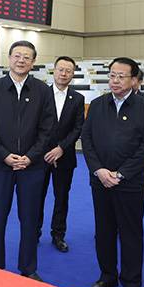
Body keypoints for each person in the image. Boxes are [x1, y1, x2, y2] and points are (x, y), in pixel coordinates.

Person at [82, 57, 144, 287]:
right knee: (103, 231)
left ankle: (132, 284)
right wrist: (99, 170)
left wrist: (121, 174)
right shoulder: (97, 105)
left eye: (121, 76)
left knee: (130, 233)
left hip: (131, 183)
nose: (115, 80)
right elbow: (87, 140)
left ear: (134, 80)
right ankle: (107, 276)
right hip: (101, 181)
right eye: (112, 75)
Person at [0, 40, 55, 281]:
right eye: (17, 55)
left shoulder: (43, 91)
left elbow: (47, 130)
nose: (21, 60)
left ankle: (28, 267)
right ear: (9, 58)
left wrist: (30, 157)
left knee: (30, 219)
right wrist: (4, 155)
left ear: (33, 62)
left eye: (27, 57)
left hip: (31, 167)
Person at [38, 56, 85, 252]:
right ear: (54, 71)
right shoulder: (41, 95)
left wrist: (60, 148)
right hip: (40, 157)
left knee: (61, 198)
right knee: (36, 197)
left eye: (68, 71)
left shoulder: (78, 98)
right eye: (61, 69)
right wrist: (47, 150)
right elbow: (34, 126)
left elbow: (78, 128)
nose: (64, 74)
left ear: (73, 74)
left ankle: (58, 235)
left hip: (65, 157)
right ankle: (34, 232)